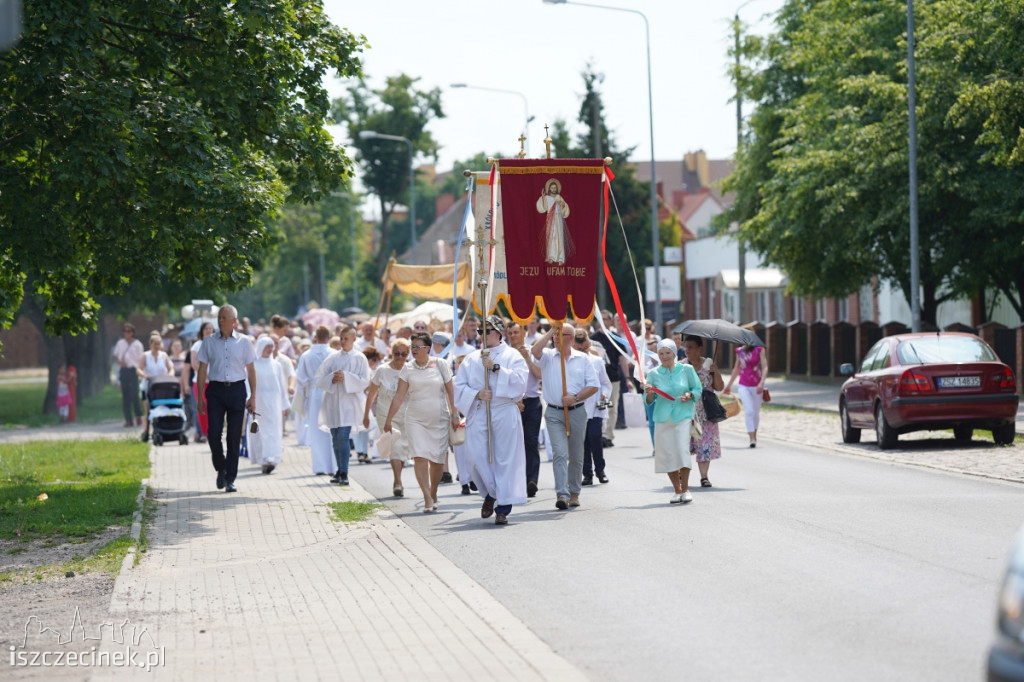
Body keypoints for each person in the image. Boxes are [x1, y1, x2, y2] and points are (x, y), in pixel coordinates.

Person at [454, 316, 529, 525]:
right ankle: (492, 493)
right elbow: (458, 386)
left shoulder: (512, 355)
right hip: (480, 410)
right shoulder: (470, 358)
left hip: (504, 409)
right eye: (480, 332)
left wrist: (496, 368)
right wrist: (477, 394)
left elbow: (521, 383)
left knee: (505, 458)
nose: (483, 336)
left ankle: (503, 507)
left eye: (487, 331)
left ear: (499, 332)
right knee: (476, 457)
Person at [383, 331, 460, 512]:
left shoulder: (441, 365)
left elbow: (451, 391)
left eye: (418, 347)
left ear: (428, 348)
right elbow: (398, 396)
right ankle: (426, 497)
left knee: (437, 460)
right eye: (413, 347)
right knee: (419, 456)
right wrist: (389, 420)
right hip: (415, 419)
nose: (414, 351)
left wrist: (454, 413)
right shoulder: (407, 368)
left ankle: (433, 492)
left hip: (439, 418)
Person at [531, 322, 599, 511]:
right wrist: (552, 330)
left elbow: (594, 385)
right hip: (554, 412)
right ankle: (562, 493)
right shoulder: (547, 356)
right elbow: (534, 350)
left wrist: (575, 397)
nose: (556, 339)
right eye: (554, 336)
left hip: (576, 411)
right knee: (560, 453)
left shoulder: (583, 359)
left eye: (561, 336)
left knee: (576, 455)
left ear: (570, 338)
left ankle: (574, 492)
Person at [196, 305, 257, 494]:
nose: (220, 320)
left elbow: (251, 370)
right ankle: (221, 468)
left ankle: (230, 478)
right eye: (219, 317)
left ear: (234, 321)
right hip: (215, 391)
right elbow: (202, 370)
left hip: (237, 390)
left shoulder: (244, 342)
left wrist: (253, 395)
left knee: (233, 437)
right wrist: (199, 397)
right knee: (213, 433)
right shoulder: (208, 342)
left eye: (224, 317)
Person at [645, 339, 703, 505]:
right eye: (661, 353)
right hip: (663, 418)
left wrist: (690, 396)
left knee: (682, 450)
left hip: (683, 415)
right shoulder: (653, 374)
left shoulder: (686, 369)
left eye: (667, 353)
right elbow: (648, 400)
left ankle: (686, 489)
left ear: (674, 353)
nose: (664, 356)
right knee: (668, 454)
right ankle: (676, 491)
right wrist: (649, 393)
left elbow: (697, 388)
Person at [314, 325, 370, 486]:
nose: (343, 341)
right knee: (335, 437)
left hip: (349, 403)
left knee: (343, 436)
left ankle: (344, 471)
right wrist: (332, 378)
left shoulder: (360, 358)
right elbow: (319, 378)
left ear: (354, 339)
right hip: (332, 402)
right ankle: (339, 469)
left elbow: (365, 380)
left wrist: (346, 377)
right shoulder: (332, 358)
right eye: (341, 338)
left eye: (346, 338)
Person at [363, 339, 411, 497]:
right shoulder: (382, 370)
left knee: (403, 447)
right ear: (391, 352)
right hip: (385, 413)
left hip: (405, 412)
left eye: (404, 354)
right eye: (397, 353)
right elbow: (371, 394)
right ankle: (398, 482)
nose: (400, 357)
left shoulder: (411, 370)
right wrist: (366, 415)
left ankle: (398, 477)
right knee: (395, 446)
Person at [506, 321, 543, 497]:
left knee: (531, 441)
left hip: (532, 402)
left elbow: (540, 375)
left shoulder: (533, 350)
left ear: (522, 333)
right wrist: (514, 400)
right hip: (512, 403)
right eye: (510, 333)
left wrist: (527, 358)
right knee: (513, 444)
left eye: (516, 332)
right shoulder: (504, 354)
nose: (513, 335)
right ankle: (516, 480)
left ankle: (531, 480)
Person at [683, 335, 724, 488]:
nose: (687, 350)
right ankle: (682, 476)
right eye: (685, 347)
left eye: (691, 347)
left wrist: (716, 371)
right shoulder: (681, 366)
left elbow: (719, 387)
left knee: (704, 443)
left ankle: (704, 477)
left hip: (705, 411)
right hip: (686, 410)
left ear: (699, 348)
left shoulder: (708, 364)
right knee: (684, 443)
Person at [295, 326, 334, 474]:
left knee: (316, 430)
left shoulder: (306, 355)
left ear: (316, 337)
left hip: (314, 392)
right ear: (328, 337)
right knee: (331, 429)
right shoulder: (334, 354)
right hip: (330, 392)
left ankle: (319, 466)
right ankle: (332, 465)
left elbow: (301, 379)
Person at [575, 330, 611, 486]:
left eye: (584, 349)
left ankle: (600, 470)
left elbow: (605, 383)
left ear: (589, 345)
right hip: (579, 407)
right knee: (583, 442)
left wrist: (604, 394)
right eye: (579, 349)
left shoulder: (597, 361)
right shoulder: (570, 362)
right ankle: (587, 474)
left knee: (596, 438)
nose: (582, 352)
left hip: (596, 407)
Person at [590, 310, 630, 449]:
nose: (603, 321)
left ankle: (608, 435)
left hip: (613, 377)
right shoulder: (592, 338)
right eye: (600, 319)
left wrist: (627, 378)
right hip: (597, 379)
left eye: (606, 319)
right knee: (599, 407)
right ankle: (599, 434)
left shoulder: (615, 337)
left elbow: (622, 359)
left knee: (612, 407)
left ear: (610, 321)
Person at [249, 337, 288, 474]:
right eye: (267, 346)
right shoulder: (253, 364)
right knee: (261, 431)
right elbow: (248, 384)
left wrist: (284, 405)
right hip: (258, 402)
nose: (270, 349)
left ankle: (272, 458)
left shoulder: (276, 365)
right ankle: (263, 459)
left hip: (273, 403)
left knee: (273, 431)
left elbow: (282, 386)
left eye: (271, 347)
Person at [723, 340, 768, 448]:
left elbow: (765, 367)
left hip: (757, 385)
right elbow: (736, 369)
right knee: (749, 411)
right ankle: (751, 438)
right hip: (743, 385)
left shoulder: (759, 350)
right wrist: (728, 385)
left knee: (756, 412)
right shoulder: (739, 351)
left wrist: (762, 383)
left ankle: (754, 435)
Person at [137, 334, 173, 442]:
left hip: (161, 386)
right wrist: (144, 375)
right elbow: (139, 368)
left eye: (159, 343)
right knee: (148, 410)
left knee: (161, 409)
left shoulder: (164, 355)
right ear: (150, 345)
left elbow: (170, 368)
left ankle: (162, 429)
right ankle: (146, 431)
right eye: (155, 344)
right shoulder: (145, 355)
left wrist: (170, 375)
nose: (157, 346)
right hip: (148, 386)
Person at [112, 323, 145, 427]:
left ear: (133, 333)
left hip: (133, 370)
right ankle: (128, 420)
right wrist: (120, 362)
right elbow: (115, 356)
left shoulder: (137, 344)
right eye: (125, 331)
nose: (126, 333)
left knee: (134, 395)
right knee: (125, 396)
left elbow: (141, 359)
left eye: (128, 331)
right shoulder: (120, 343)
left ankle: (138, 415)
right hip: (123, 371)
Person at [353, 347, 382, 463]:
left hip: (363, 399)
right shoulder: (364, 369)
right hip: (357, 399)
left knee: (364, 427)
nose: (375, 362)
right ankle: (360, 452)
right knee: (357, 427)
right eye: (373, 359)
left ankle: (363, 452)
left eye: (377, 360)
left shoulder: (370, 370)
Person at [188, 321, 215, 443]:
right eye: (206, 329)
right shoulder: (196, 346)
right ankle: (204, 432)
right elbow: (194, 364)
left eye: (210, 328)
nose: (208, 331)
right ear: (202, 331)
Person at [536, 177, 573, 265]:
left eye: (554, 188)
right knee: (551, 237)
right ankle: (551, 256)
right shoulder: (547, 197)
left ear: (557, 188)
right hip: (550, 219)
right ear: (549, 189)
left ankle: (560, 258)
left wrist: (563, 204)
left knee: (560, 237)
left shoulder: (559, 197)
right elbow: (543, 208)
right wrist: (543, 197)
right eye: (552, 188)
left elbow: (564, 208)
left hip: (558, 219)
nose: (553, 189)